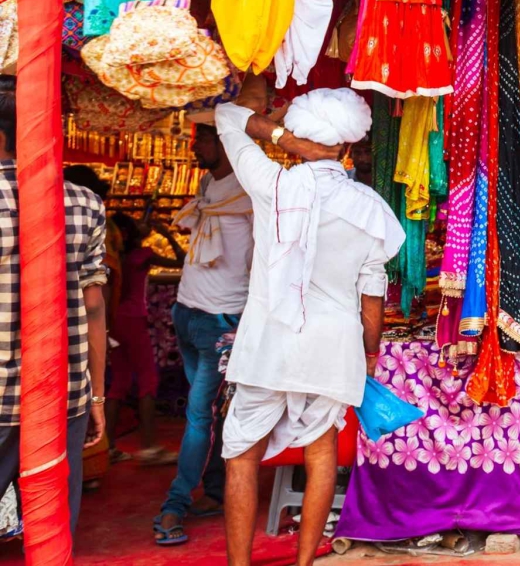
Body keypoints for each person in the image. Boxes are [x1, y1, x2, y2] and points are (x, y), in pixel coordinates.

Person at [215, 89, 404, 566]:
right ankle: (302, 564)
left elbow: (228, 116)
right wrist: (369, 352)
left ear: (302, 136)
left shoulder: (272, 184)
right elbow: (372, 292)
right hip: (333, 345)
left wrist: (281, 135)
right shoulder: (369, 206)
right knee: (321, 455)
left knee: (240, 456)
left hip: (267, 344)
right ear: (347, 145)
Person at [0, 79, 109, 530]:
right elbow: (94, 305)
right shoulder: (85, 202)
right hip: (63, 388)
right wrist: (97, 393)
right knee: (53, 520)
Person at [155, 122, 255, 546]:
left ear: (226, 144)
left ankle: (174, 505)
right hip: (188, 310)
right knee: (206, 414)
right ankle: (214, 490)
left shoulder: (251, 198)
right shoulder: (206, 184)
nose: (196, 146)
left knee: (199, 414)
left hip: (220, 320)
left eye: (205, 139)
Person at [105, 213, 176, 466]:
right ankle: (149, 447)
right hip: (135, 319)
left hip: (115, 320)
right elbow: (182, 261)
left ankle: (107, 445)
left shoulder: (115, 258)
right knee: (148, 379)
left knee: (119, 381)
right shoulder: (143, 255)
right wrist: (167, 235)